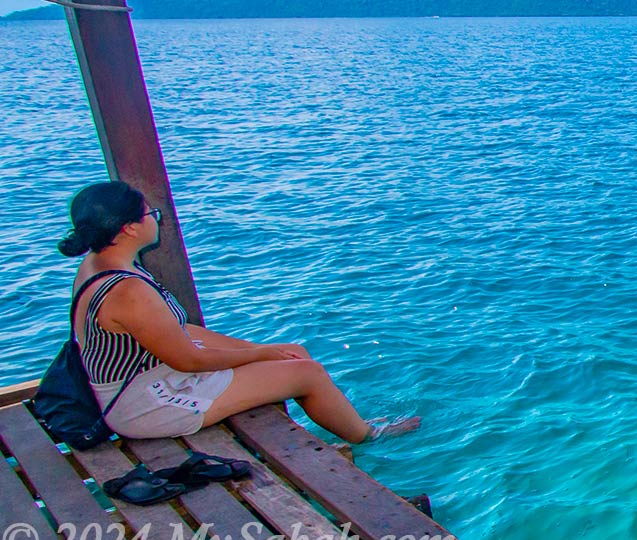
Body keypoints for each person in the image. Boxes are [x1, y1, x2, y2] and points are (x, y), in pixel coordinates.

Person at [58, 180, 418, 444]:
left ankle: (348, 423)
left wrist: (252, 349)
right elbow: (187, 360)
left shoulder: (99, 264)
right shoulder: (128, 290)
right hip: (147, 404)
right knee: (306, 373)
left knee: (295, 356)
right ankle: (369, 436)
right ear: (130, 228)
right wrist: (257, 353)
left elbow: (180, 331)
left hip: (151, 380)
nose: (157, 217)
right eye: (150, 214)